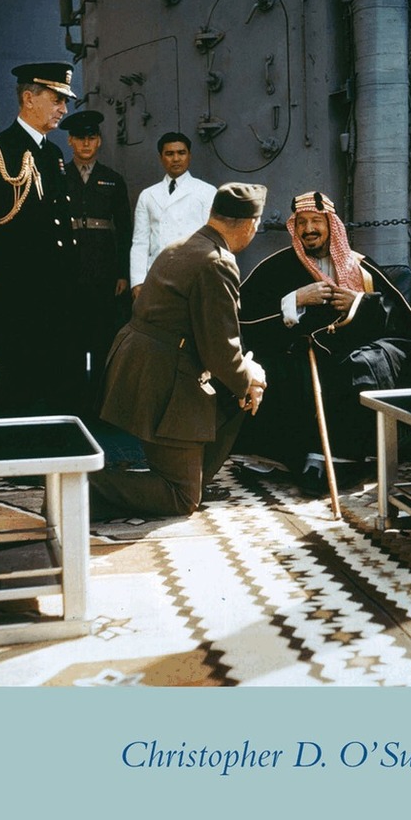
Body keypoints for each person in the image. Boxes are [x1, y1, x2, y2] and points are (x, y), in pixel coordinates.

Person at [91, 182, 268, 521]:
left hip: (142, 364)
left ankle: (191, 479)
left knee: (237, 395)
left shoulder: (181, 245)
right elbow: (221, 350)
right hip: (162, 377)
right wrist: (251, 379)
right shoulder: (217, 262)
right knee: (181, 498)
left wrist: (243, 380)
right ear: (250, 225)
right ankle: (82, 490)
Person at [236, 190, 411, 493]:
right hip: (301, 350)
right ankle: (288, 455)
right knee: (276, 368)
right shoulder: (277, 266)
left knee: (361, 366)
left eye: (316, 221)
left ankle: (343, 458)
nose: (309, 229)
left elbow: (399, 320)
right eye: (302, 223)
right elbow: (247, 318)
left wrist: (359, 302)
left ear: (331, 225)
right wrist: (295, 300)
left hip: (351, 350)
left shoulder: (360, 267)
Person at [0, 62, 81, 415]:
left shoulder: (53, 154)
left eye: (65, 101)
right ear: (29, 98)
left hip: (57, 293)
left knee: (59, 388)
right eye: (57, 99)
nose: (63, 109)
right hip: (18, 293)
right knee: (20, 392)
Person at [59, 109, 133, 403]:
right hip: (68, 271)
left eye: (91, 137)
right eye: (80, 138)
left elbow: (125, 231)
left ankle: (103, 401)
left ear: (99, 141)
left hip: (104, 272)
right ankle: (75, 401)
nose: (86, 143)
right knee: (72, 338)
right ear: (70, 141)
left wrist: (123, 273)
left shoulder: (112, 180)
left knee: (103, 337)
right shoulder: (58, 177)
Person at [129, 131, 216, 297]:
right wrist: (138, 281)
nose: (176, 159)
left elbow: (213, 240)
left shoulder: (207, 192)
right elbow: (140, 242)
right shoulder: (148, 195)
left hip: (195, 274)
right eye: (169, 154)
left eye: (181, 153)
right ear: (161, 157)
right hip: (157, 274)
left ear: (189, 156)